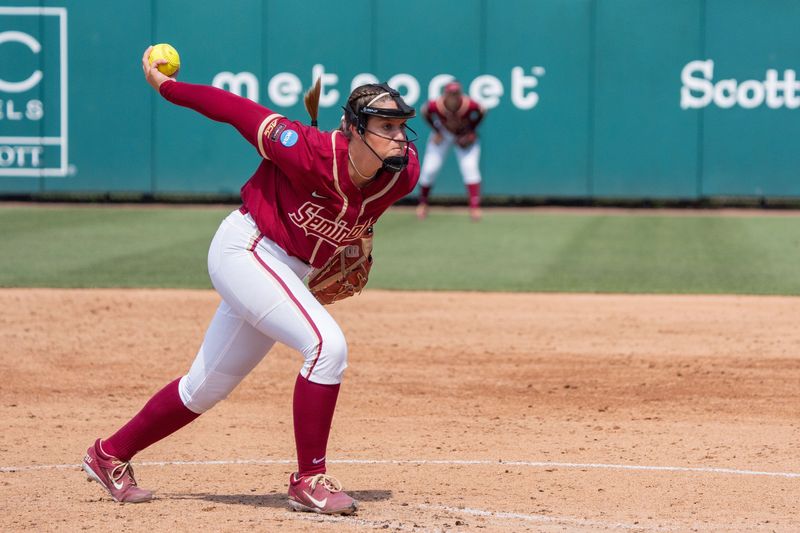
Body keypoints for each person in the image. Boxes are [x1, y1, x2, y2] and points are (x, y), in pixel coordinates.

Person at [81, 46, 419, 515]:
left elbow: (351, 215)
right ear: (352, 130)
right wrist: (167, 86)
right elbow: (234, 110)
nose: (399, 137)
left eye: (402, 126)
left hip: (287, 269)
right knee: (326, 347)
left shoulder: (401, 176)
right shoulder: (305, 149)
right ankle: (309, 479)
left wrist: (350, 245)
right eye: (385, 127)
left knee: (204, 388)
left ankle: (109, 454)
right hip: (247, 248)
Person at [416, 80, 485, 222]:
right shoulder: (436, 105)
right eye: (450, 93)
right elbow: (424, 111)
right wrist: (436, 131)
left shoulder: (469, 104)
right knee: (430, 169)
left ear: (460, 94)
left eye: (456, 93)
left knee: (470, 168)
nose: (453, 96)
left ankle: (475, 207)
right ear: (445, 94)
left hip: (463, 135)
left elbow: (482, 110)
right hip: (444, 133)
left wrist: (471, 130)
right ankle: (423, 204)